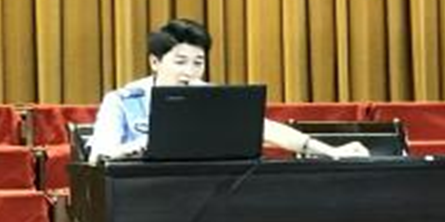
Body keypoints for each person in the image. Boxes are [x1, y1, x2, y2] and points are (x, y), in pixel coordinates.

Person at [88, 18, 370, 163]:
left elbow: (267, 130)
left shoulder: (211, 98)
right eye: (180, 62)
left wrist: (331, 151)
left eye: (198, 62)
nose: (190, 71)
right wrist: (134, 149)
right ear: (155, 62)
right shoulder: (122, 101)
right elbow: (99, 155)